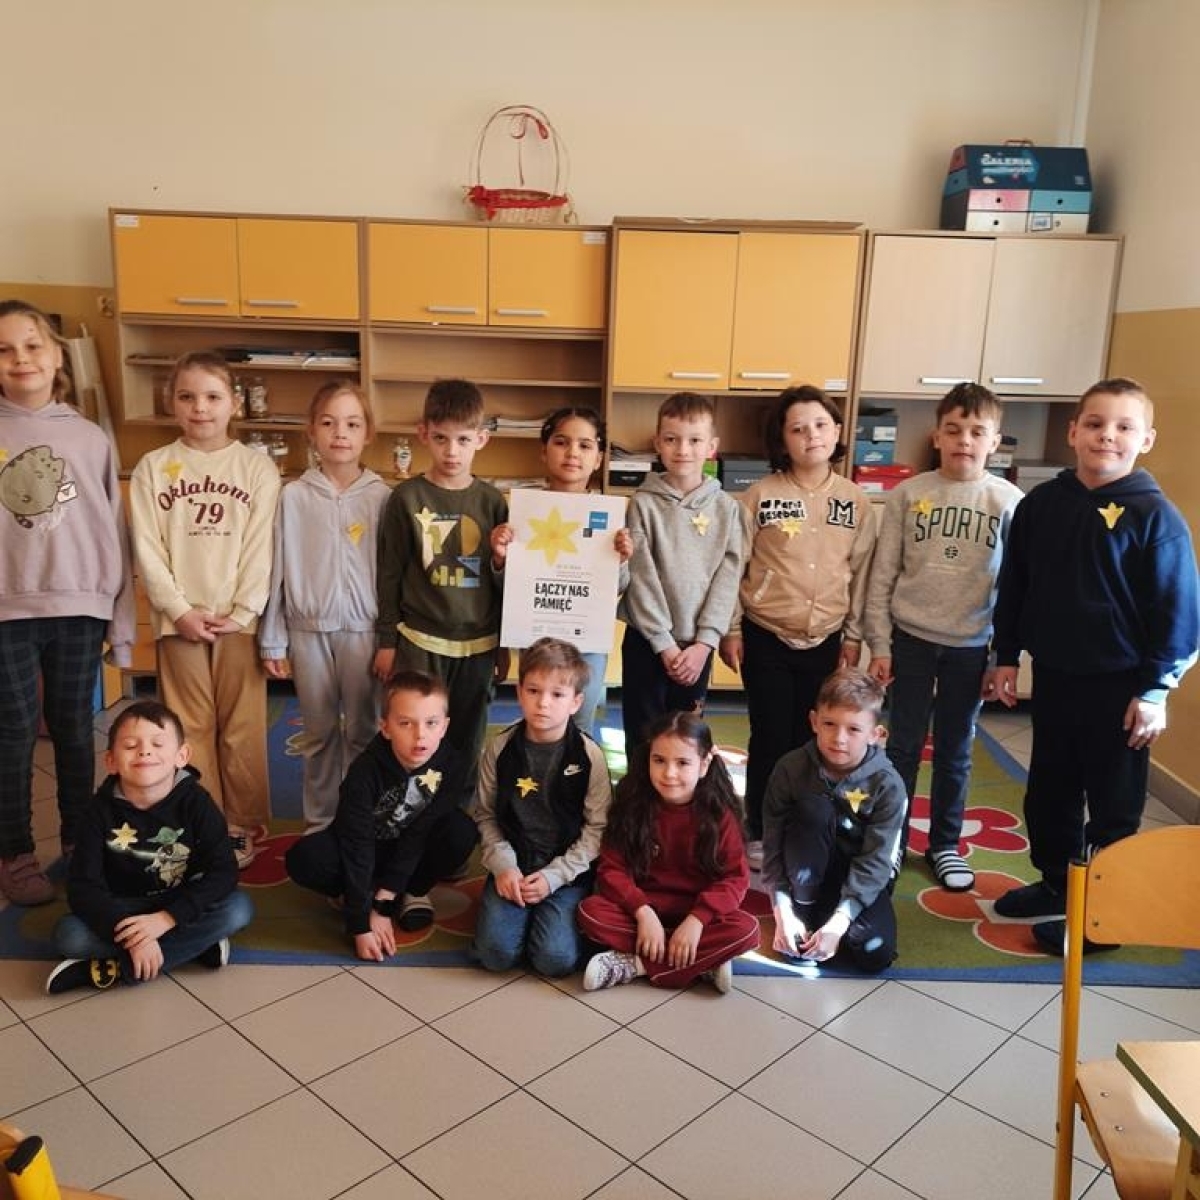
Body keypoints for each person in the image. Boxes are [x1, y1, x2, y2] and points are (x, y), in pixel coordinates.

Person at [987, 378, 1200, 953]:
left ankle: (1106, 916)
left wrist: (1155, 692)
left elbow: (1179, 613)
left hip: (1122, 688)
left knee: (1113, 804)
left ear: (1146, 440)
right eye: (1096, 423)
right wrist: (1006, 656)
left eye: (1125, 427)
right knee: (1050, 791)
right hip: (1056, 677)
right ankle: (1059, 883)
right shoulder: (1041, 506)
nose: (1108, 435)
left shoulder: (1156, 517)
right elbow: (1015, 586)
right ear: (1073, 431)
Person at [0, 299, 135, 906]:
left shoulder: (88, 438)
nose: (20, 359)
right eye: (4, 349)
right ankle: (15, 851)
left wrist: (120, 621)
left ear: (57, 356)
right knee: (13, 730)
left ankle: (82, 842)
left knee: (77, 729)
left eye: (32, 345)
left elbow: (113, 533)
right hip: (6, 610)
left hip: (80, 607)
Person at [864, 383, 1022, 891]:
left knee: (956, 750)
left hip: (971, 647)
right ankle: (890, 839)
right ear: (936, 436)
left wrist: (1002, 656)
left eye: (977, 432)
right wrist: (879, 644)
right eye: (953, 430)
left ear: (994, 441)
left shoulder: (1008, 501)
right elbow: (882, 575)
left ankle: (945, 844)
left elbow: (1015, 587)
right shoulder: (908, 494)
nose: (964, 440)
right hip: (911, 639)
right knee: (903, 746)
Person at [130, 352, 280, 869]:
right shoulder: (153, 467)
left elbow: (261, 548)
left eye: (213, 397)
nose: (200, 408)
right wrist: (178, 609)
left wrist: (243, 610)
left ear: (234, 403)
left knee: (242, 726)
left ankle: (240, 823)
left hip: (238, 620)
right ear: (172, 403)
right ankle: (206, 821)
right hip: (181, 621)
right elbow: (147, 548)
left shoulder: (257, 468)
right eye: (187, 397)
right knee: (188, 726)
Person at [719, 385, 876, 869]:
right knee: (770, 735)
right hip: (765, 633)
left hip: (827, 638)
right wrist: (731, 628)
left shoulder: (855, 501)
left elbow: (863, 574)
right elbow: (734, 565)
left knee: (816, 738)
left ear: (837, 431)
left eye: (821, 425)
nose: (811, 436)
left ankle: (806, 823)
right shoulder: (760, 496)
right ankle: (762, 827)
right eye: (798, 428)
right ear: (782, 439)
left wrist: (854, 637)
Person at [45, 701, 253, 994]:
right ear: (111, 761)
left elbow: (224, 872)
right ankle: (195, 945)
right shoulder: (97, 812)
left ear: (182, 756)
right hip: (122, 907)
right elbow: (82, 887)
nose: (144, 751)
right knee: (69, 937)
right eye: (131, 745)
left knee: (238, 910)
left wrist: (167, 919)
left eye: (157, 743)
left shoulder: (197, 803)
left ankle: (121, 969)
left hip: (178, 900)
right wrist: (134, 935)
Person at [259, 381, 391, 830]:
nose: (340, 433)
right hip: (307, 631)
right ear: (312, 431)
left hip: (365, 633)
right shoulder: (293, 496)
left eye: (352, 424)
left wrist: (389, 638)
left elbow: (393, 574)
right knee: (317, 733)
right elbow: (277, 568)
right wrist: (273, 638)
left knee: (365, 732)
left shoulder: (383, 497)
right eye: (329, 423)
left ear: (368, 433)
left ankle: (360, 820)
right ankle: (320, 822)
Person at [285, 670, 478, 960]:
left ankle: (412, 891)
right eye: (406, 723)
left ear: (444, 727)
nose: (420, 735)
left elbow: (421, 833)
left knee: (461, 831)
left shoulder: (453, 764)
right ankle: (357, 892)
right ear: (385, 728)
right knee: (305, 858)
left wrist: (384, 902)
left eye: (431, 723)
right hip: (366, 848)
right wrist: (360, 922)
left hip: (413, 853)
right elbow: (356, 843)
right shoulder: (364, 772)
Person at [373, 379, 506, 772]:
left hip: (478, 646)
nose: (452, 451)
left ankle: (457, 808)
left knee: (467, 740)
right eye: (441, 438)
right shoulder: (406, 498)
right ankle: (410, 805)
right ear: (423, 434)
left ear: (481, 439)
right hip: (420, 641)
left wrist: (504, 645)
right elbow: (390, 573)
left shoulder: (493, 502)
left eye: (463, 440)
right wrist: (387, 640)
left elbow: (503, 582)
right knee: (415, 737)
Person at [577, 711, 759, 992]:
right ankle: (701, 961)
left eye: (683, 763)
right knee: (590, 912)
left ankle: (636, 964)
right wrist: (642, 912)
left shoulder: (719, 814)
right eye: (659, 760)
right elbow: (612, 870)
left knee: (747, 929)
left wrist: (697, 921)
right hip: (643, 911)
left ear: (704, 764)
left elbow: (735, 879)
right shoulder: (632, 805)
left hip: (696, 914)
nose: (669, 773)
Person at [471, 637, 611, 976]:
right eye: (533, 691)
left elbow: (598, 828)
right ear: (519, 692)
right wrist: (504, 866)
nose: (543, 703)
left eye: (557, 694)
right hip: (515, 864)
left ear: (576, 702)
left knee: (555, 960)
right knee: (496, 955)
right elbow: (485, 814)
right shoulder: (499, 748)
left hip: (567, 871)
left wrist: (554, 878)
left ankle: (549, 918)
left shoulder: (589, 756)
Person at [489, 406, 633, 734]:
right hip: (536, 640)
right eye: (561, 442)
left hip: (588, 645)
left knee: (579, 728)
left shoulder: (609, 517)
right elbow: (507, 589)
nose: (572, 453)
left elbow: (618, 587)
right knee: (539, 722)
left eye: (585, 445)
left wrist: (622, 560)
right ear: (544, 451)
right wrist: (499, 559)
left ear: (598, 458)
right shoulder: (523, 514)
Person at [620, 393, 744, 752]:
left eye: (694, 440)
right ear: (658, 443)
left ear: (711, 447)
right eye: (672, 439)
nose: (683, 449)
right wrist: (664, 644)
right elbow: (641, 577)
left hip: (696, 648)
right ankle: (639, 793)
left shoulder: (727, 509)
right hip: (647, 642)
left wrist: (706, 643)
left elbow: (727, 579)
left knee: (687, 740)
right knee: (642, 739)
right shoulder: (642, 504)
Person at [762, 668, 906, 974]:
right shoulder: (789, 769)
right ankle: (805, 912)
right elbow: (773, 846)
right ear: (814, 721)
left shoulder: (888, 784)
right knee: (814, 808)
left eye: (853, 729)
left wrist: (840, 921)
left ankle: (828, 917)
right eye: (829, 724)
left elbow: (878, 860)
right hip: (803, 872)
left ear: (876, 735)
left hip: (859, 876)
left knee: (875, 954)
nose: (839, 739)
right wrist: (784, 912)